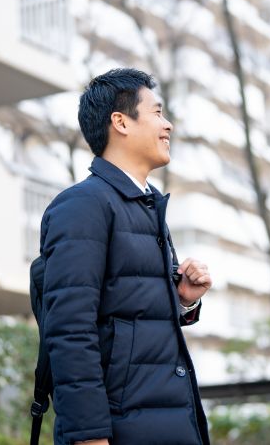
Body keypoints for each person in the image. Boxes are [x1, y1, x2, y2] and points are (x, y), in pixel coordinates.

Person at [40, 68, 212, 444]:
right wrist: (89, 437)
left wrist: (181, 301)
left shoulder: (146, 205)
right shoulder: (83, 205)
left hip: (164, 426)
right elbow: (70, 330)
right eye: (157, 112)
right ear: (120, 122)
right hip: (119, 432)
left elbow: (133, 325)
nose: (167, 125)